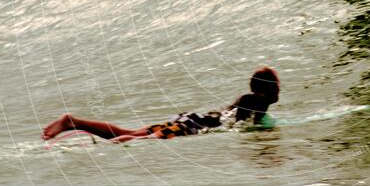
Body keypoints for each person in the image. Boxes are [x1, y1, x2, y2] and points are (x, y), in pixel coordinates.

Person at [41, 67, 280, 143]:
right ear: (267, 89)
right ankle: (97, 148)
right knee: (139, 140)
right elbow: (246, 126)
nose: (279, 88)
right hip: (194, 126)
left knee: (132, 133)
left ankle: (73, 122)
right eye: (276, 85)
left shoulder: (249, 99)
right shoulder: (255, 102)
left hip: (191, 120)